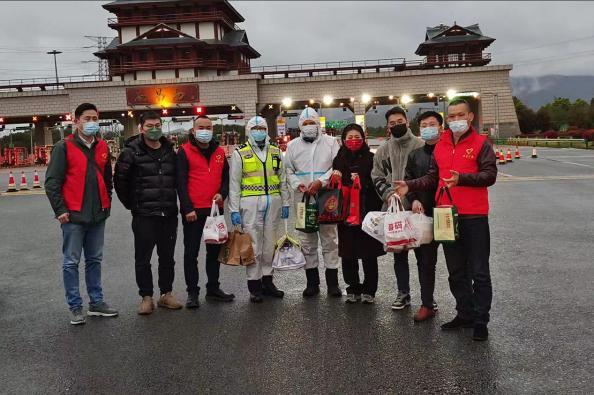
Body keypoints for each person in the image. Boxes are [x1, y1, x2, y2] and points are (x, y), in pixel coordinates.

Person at [394, 99, 497, 341]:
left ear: (470, 117)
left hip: (474, 215)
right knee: (456, 271)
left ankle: (481, 320)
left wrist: (462, 179)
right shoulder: (441, 145)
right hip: (445, 215)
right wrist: (409, 186)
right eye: (451, 116)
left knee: (480, 271)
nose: (455, 119)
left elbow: (489, 175)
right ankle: (465, 313)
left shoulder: (481, 143)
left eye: (460, 115)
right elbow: (432, 177)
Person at [45, 102, 118, 325]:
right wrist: (60, 210)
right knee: (71, 262)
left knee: (95, 260)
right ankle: (75, 307)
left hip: (98, 215)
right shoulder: (63, 147)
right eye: (87, 119)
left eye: (95, 119)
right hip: (73, 216)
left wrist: (108, 202)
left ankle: (96, 303)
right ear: (76, 121)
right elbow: (52, 182)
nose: (91, 123)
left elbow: (107, 179)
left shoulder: (103, 147)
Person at [114, 111, 182, 315]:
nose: (154, 129)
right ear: (140, 128)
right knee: (143, 258)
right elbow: (120, 182)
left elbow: (178, 179)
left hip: (168, 213)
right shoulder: (130, 152)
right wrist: (133, 205)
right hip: (144, 214)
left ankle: (166, 294)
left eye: (157, 125)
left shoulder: (170, 150)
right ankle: (146, 297)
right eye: (150, 126)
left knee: (167, 257)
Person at [228, 116, 290, 303]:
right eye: (255, 128)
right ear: (249, 130)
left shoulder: (276, 151)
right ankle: (254, 285)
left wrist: (286, 202)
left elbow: (283, 179)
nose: (259, 131)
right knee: (253, 245)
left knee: (270, 244)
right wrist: (233, 209)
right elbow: (234, 183)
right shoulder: (241, 153)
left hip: (273, 201)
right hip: (250, 203)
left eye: (262, 127)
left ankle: (268, 281)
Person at [177, 115, 235, 308]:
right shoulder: (184, 152)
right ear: (193, 130)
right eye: (201, 127)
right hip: (193, 212)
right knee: (191, 253)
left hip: (214, 211)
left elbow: (226, 178)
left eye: (208, 127)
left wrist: (222, 194)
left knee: (214, 252)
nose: (205, 130)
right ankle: (192, 292)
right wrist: (187, 208)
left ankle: (213, 288)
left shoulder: (219, 152)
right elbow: (181, 184)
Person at [284, 108, 342, 297]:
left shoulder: (331, 142)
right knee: (307, 241)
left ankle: (333, 284)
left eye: (312, 123)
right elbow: (288, 171)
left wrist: (321, 182)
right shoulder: (292, 146)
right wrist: (297, 184)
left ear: (318, 124)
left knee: (329, 240)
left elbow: (337, 167)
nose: (309, 127)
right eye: (305, 123)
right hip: (302, 198)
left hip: (327, 197)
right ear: (300, 125)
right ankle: (312, 283)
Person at [371, 106, 424, 310]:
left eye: (399, 121)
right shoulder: (383, 149)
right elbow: (376, 176)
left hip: (417, 208)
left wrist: (419, 198)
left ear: (407, 122)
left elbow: (429, 176)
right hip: (393, 209)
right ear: (388, 126)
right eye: (392, 123)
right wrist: (388, 194)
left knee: (423, 256)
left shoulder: (420, 146)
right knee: (399, 253)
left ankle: (427, 297)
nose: (396, 125)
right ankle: (403, 293)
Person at [331, 123, 385, 304]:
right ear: (343, 140)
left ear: (363, 138)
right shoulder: (338, 159)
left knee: (369, 251)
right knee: (348, 252)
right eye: (349, 137)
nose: (353, 141)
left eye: (357, 137)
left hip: (367, 209)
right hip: (345, 211)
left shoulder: (371, 158)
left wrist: (362, 182)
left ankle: (370, 289)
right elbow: (336, 184)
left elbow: (377, 179)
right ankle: (352, 288)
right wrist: (340, 177)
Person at [404, 111, 444, 322]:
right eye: (424, 125)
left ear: (440, 127)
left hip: (449, 215)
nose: (428, 128)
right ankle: (427, 304)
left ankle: (465, 309)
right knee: (425, 262)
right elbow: (408, 181)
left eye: (432, 124)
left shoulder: (449, 151)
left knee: (459, 263)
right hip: (424, 216)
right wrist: (414, 200)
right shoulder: (415, 155)